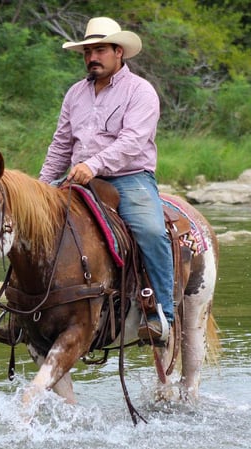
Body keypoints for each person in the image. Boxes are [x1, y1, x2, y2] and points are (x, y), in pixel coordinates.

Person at [39, 16, 174, 343]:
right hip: (78, 178)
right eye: (88, 52)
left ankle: (161, 314)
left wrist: (94, 165)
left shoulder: (140, 91)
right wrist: (41, 187)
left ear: (118, 52)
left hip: (128, 178)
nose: (92, 57)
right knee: (31, 224)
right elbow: (61, 144)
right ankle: (24, 310)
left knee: (151, 231)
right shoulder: (75, 93)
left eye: (100, 50)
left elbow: (133, 142)